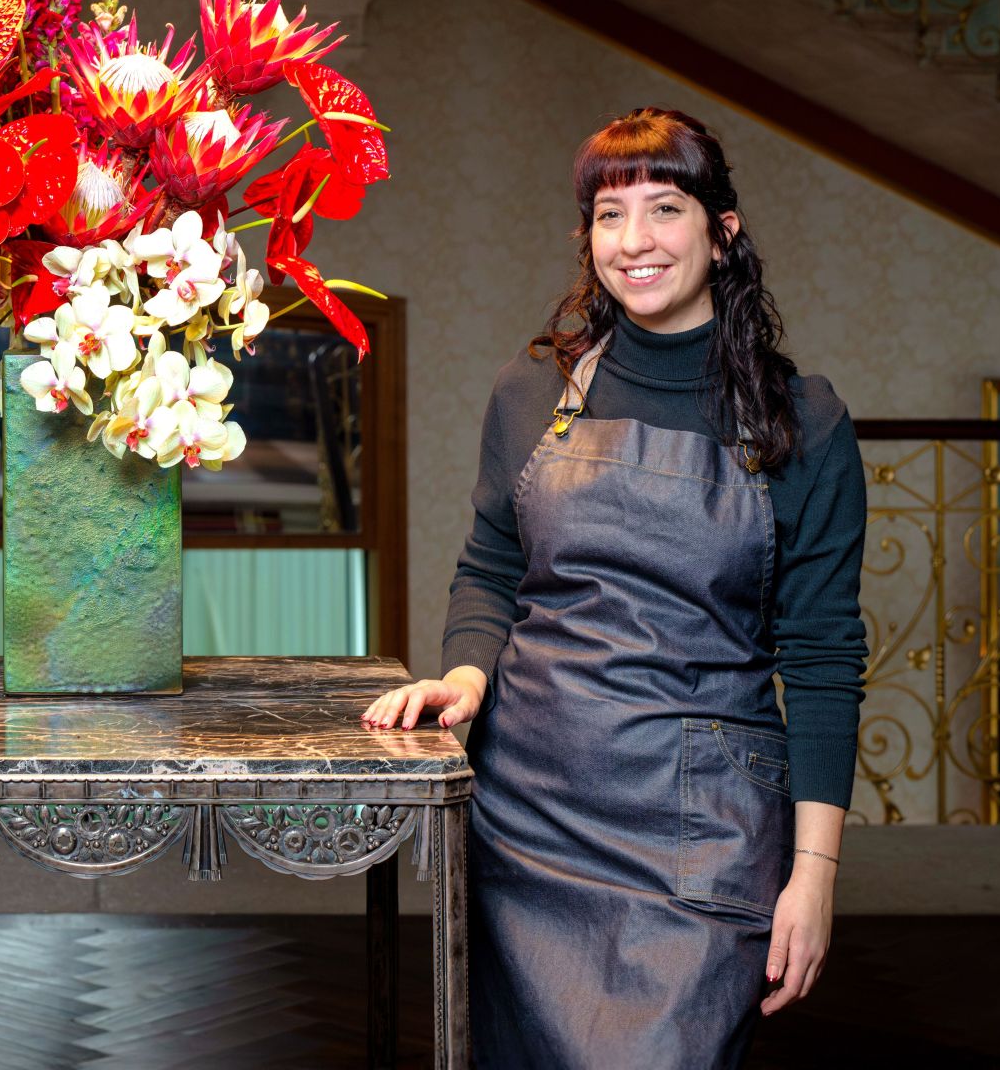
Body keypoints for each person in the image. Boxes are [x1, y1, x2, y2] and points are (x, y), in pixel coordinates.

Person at [363, 107, 866, 1068]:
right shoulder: (530, 392)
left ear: (722, 232)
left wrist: (814, 875)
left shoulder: (805, 423)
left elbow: (825, 658)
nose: (633, 242)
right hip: (528, 811)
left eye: (664, 209)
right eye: (608, 215)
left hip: (704, 836)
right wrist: (465, 679)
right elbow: (492, 570)